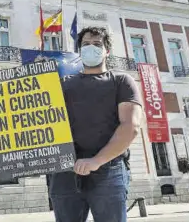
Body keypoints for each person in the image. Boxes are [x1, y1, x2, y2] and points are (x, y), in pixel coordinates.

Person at [49, 27, 143, 222]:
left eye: (97, 44)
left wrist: (95, 161)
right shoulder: (62, 84)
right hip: (65, 172)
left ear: (107, 51)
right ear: (79, 51)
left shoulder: (122, 82)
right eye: (85, 44)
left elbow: (130, 127)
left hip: (109, 170)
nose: (90, 48)